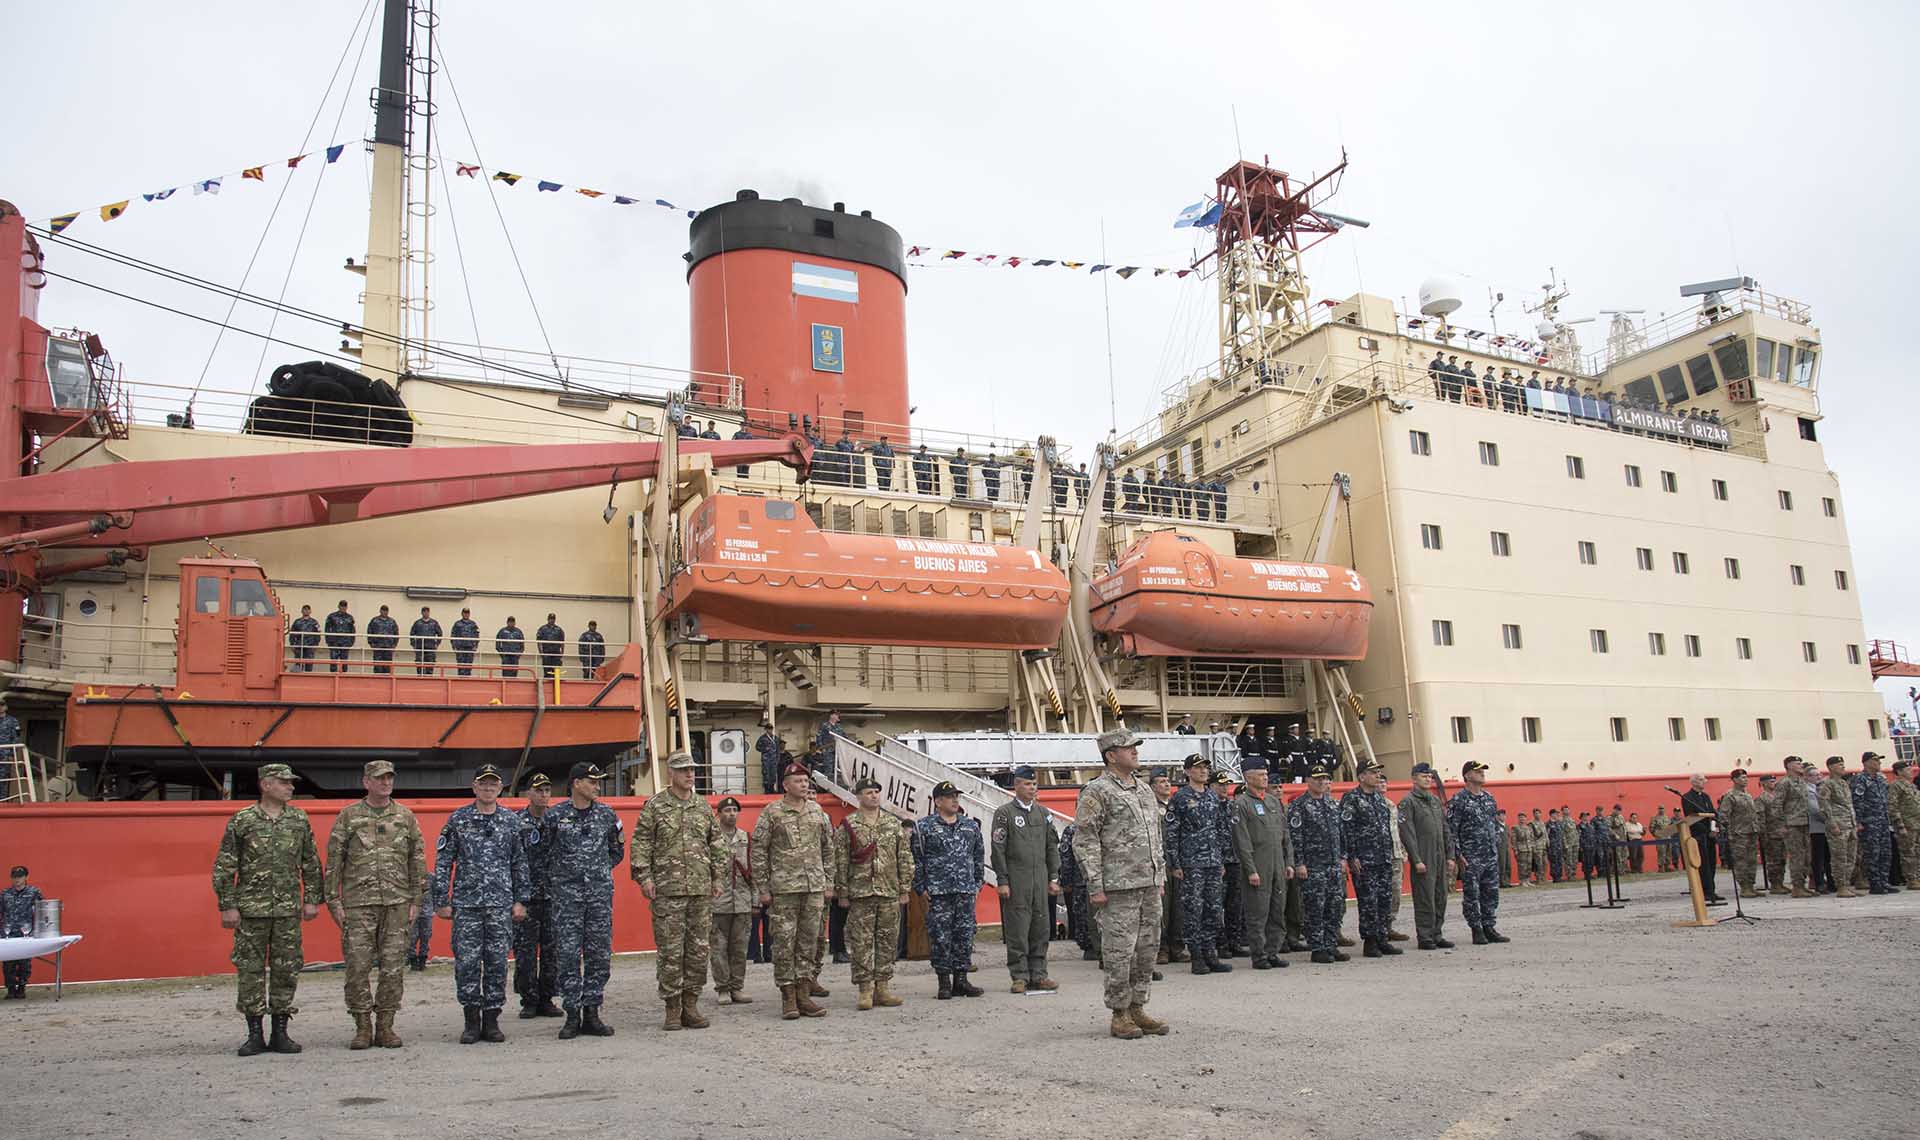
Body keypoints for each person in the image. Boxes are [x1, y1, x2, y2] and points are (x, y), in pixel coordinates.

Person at [212, 762, 323, 1056]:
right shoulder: (243, 820)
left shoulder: (298, 820)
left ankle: (281, 1033)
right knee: (250, 971)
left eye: (291, 782)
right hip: (251, 910)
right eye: (283, 782)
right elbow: (225, 865)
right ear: (265, 785)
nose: (290, 786)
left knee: (286, 969)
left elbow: (311, 862)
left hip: (287, 909)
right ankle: (254, 1034)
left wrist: (312, 898)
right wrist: (228, 905)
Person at [1072, 729, 1168, 1040]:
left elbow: (1156, 838)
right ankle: (1119, 1013)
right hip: (1117, 886)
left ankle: (1138, 1006)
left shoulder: (1142, 790)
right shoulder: (1097, 792)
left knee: (1147, 949)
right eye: (1128, 748)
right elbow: (1085, 841)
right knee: (1119, 951)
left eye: (1134, 747)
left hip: (1149, 884)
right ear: (1111, 755)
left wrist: (1159, 875)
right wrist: (1095, 884)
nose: (1135, 752)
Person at [325, 759, 425, 1050]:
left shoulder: (405, 817)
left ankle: (386, 1026)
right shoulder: (348, 816)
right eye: (379, 778)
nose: (385, 783)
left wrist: (417, 899)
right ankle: (362, 1027)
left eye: (389, 778)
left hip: (396, 902)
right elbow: (334, 861)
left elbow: (416, 859)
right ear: (366, 782)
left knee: (393, 967)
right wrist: (334, 901)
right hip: (358, 904)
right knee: (357, 966)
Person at [434, 764, 530, 1045]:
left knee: (497, 963)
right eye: (483, 784)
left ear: (500, 789)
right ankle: (471, 1021)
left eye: (493, 784)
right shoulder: (459, 820)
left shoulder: (511, 821)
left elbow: (519, 863)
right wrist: (442, 899)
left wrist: (521, 900)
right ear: (474, 787)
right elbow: (443, 861)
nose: (488, 789)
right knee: (467, 963)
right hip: (467, 905)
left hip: (500, 905)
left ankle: (491, 1020)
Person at [632, 751, 724, 1032]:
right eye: (683, 770)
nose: (689, 774)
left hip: (699, 890)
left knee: (698, 950)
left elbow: (717, 844)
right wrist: (644, 878)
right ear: (671, 773)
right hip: (668, 891)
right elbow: (641, 844)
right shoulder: (656, 806)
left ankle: (691, 1005)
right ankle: (672, 1008)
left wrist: (718, 878)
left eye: (692, 770)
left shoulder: (703, 807)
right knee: (671, 952)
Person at [542, 761, 625, 1038]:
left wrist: (595, 872)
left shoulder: (606, 815)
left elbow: (616, 851)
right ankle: (572, 1014)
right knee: (567, 955)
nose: (597, 787)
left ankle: (592, 1012)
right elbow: (542, 854)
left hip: (599, 897)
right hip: (566, 899)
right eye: (592, 782)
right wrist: (565, 878)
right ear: (577, 783)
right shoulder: (554, 817)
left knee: (598, 954)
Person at [752, 763, 834, 1020]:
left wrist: (828, 882)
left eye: (806, 780)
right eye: (798, 781)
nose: (804, 784)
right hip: (784, 889)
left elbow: (827, 849)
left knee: (809, 942)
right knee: (784, 943)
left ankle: (803, 993)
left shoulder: (817, 811)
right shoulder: (772, 812)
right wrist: (762, 888)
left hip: (813, 888)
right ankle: (788, 996)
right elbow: (758, 850)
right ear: (785, 785)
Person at [836, 776, 913, 1010]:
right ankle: (865, 990)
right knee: (861, 942)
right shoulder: (849, 824)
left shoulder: (892, 824)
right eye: (868, 792)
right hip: (861, 892)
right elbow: (840, 859)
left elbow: (905, 857)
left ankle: (883, 988)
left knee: (887, 941)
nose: (874, 796)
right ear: (858, 796)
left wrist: (904, 888)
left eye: (876, 792)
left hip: (889, 891)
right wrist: (842, 891)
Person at [990, 765, 1060, 993]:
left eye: (1034, 784)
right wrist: (1002, 880)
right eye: (1028, 784)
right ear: (1017, 785)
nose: (1032, 788)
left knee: (1041, 928)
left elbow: (1052, 847)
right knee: (1018, 929)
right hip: (1017, 879)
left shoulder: (1044, 814)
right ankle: (1019, 976)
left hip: (1040, 877)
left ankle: (1039, 974)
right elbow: (998, 848)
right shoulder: (1005, 813)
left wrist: (1053, 876)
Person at [914, 780, 986, 1000]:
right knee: (941, 937)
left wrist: (977, 882)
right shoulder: (924, 827)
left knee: (964, 935)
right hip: (939, 891)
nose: (955, 800)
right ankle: (944, 982)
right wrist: (921, 886)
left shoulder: (970, 826)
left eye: (957, 796)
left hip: (965, 890)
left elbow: (978, 855)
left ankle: (961, 980)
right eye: (949, 797)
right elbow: (916, 859)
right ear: (937, 801)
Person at [1167, 753, 1232, 974]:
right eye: (1198, 768)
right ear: (1187, 772)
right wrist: (1175, 864)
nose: (1203, 771)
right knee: (1193, 909)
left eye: (1206, 767)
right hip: (1191, 862)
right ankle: (1196, 957)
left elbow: (1220, 830)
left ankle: (1210, 953)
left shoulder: (1213, 797)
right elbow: (1172, 832)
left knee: (1213, 908)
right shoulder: (1181, 798)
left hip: (1213, 861)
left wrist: (1221, 858)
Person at [1229, 757, 1293, 969]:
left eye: (1266, 773)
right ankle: (1259, 955)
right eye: (1260, 774)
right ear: (1248, 777)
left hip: (1278, 865)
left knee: (1277, 910)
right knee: (1258, 913)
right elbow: (1242, 841)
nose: (1265, 777)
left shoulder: (1273, 802)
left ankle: (1273, 951)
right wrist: (1250, 870)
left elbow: (1285, 836)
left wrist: (1289, 862)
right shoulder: (1242, 804)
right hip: (1258, 866)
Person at [1340, 760, 1401, 959]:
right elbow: (1346, 830)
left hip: (1383, 858)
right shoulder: (1352, 798)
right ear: (1361, 776)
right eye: (1372, 773)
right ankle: (1370, 941)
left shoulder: (1378, 798)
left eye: (1378, 773)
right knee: (1368, 901)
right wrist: (1352, 855)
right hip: (1364, 860)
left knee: (1384, 899)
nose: (1377, 776)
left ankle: (1383, 938)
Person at [513, 773, 561, 1019]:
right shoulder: (516, 822)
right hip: (527, 897)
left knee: (552, 951)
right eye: (538, 790)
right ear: (528, 793)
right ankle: (529, 999)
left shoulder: (558, 820)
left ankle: (547, 998)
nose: (543, 795)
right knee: (525, 952)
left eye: (547, 790)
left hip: (554, 896)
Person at [1288, 766, 1347, 964]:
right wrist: (1300, 863)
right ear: (1308, 781)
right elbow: (1295, 838)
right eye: (1317, 779)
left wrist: (1342, 858)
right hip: (1313, 866)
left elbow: (1340, 834)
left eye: (1325, 778)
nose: (1322, 782)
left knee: (1334, 906)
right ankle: (1318, 947)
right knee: (1315, 907)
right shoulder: (1299, 805)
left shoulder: (1332, 804)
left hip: (1332, 864)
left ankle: (1331, 944)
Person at [1446, 760, 1508, 945]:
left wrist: (1495, 842)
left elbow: (1495, 823)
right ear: (1467, 776)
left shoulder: (1489, 798)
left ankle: (1489, 926)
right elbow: (1451, 829)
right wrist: (1458, 854)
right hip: (1470, 856)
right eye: (1477, 771)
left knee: (1491, 892)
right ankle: (1476, 929)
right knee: (1472, 894)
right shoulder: (1459, 800)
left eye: (1483, 771)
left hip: (1489, 854)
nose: (1482, 773)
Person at [1396, 763, 1454, 950]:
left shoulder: (1435, 801)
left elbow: (1445, 829)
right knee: (1424, 897)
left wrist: (1450, 855)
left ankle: (1437, 933)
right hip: (1424, 856)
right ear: (1414, 779)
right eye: (1423, 776)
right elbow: (1407, 833)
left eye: (1430, 776)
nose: (1428, 779)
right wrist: (1416, 859)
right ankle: (1425, 935)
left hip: (1439, 855)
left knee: (1440, 895)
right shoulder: (1409, 802)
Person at [710, 796, 755, 1005]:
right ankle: (723, 988)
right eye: (727, 810)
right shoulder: (711, 838)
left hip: (742, 899)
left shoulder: (746, 837)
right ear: (719, 814)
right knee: (718, 947)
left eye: (734, 810)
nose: (731, 814)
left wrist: (755, 899)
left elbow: (754, 869)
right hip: (718, 901)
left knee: (739, 947)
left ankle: (737, 987)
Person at [1148, 769, 1184, 964]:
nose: (1166, 784)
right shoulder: (1150, 807)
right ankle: (1162, 948)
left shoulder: (1176, 806)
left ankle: (1177, 946)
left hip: (1177, 862)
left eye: (1168, 781)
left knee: (1179, 907)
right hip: (1160, 864)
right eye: (1161, 782)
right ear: (1153, 787)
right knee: (1162, 909)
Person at [1851, 751, 1897, 894]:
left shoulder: (1881, 778)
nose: (1879, 763)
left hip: (1883, 821)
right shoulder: (1860, 779)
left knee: (1886, 852)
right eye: (1875, 760)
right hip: (1869, 822)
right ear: (1866, 762)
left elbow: (1886, 800)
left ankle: (1884, 881)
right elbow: (1857, 802)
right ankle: (1875, 883)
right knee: (1872, 853)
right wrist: (1859, 821)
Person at [1680, 773, 1724, 904]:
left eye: (1704, 779)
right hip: (1698, 836)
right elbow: (1691, 817)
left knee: (1711, 864)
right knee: (1703, 865)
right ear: (1693, 782)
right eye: (1700, 779)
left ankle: (1711, 891)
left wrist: (1713, 829)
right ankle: (1704, 891)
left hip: (1710, 836)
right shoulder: (1687, 797)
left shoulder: (1706, 797)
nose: (1704, 781)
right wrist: (1705, 831)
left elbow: (1712, 814)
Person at [1817, 756, 1858, 897]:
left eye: (1843, 764)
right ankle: (1840, 886)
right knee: (1839, 857)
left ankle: (1847, 884)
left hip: (1849, 824)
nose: (1843, 767)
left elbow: (1848, 804)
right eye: (1840, 764)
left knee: (1851, 857)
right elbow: (1824, 805)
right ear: (1831, 767)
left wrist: (1854, 823)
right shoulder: (1826, 784)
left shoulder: (1843, 783)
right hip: (1838, 825)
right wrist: (1831, 823)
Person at [2, 866, 45, 999]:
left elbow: (42, 911)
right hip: (8, 933)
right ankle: (10, 989)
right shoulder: (5, 893)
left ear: (26, 877)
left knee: (24, 963)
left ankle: (21, 988)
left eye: (20, 877)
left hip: (26, 933)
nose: (17, 880)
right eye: (14, 877)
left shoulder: (34, 892)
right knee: (8, 963)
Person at [1718, 769, 1762, 898]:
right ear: (1735, 780)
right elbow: (1723, 815)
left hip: (1751, 831)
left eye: (1746, 777)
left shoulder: (1747, 795)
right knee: (1741, 861)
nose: (1746, 779)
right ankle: (1744, 887)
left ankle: (1751, 885)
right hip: (1739, 834)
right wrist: (1727, 831)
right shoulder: (1730, 796)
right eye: (1742, 777)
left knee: (1752, 860)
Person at [1058, 822, 1098, 960]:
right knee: (1082, 915)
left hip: (1100, 880)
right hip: (1080, 880)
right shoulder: (1072, 830)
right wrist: (1066, 880)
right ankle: (1089, 946)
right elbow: (1066, 856)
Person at [1776, 758, 1815, 897]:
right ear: (1789, 766)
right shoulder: (1784, 783)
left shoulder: (1802, 782)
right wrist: (1781, 825)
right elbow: (1777, 805)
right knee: (1796, 856)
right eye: (1797, 764)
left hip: (1805, 823)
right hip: (1792, 824)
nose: (1801, 766)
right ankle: (1797, 887)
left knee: (1806, 856)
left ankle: (1802, 885)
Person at [1890, 760, 1920, 890]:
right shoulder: (1896, 786)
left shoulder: (1911, 786)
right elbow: (1892, 806)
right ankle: (1911, 879)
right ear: (1900, 772)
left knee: (1917, 852)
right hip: (1907, 825)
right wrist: (1899, 825)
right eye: (1908, 769)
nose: (1911, 771)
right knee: (1908, 853)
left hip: (1917, 823)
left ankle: (1917, 877)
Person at [408, 606, 442, 675]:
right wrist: (414, 644)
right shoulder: (417, 623)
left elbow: (440, 634)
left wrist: (437, 644)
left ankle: (429, 679)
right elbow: (411, 634)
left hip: (430, 648)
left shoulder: (434, 623)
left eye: (427, 611)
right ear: (421, 612)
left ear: (429, 613)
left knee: (430, 665)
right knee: (420, 665)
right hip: (420, 647)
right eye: (424, 611)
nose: (425, 613)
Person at [365, 605, 399, 673]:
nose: (384, 612)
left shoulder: (392, 621)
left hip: (388, 647)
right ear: (380, 611)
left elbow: (396, 633)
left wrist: (394, 644)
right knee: (377, 666)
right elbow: (369, 632)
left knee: (387, 666)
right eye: (383, 610)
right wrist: (371, 643)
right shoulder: (374, 621)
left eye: (386, 610)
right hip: (377, 646)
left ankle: (387, 682)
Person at [324, 600, 356, 672]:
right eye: (341, 606)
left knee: (344, 662)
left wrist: (352, 641)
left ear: (346, 607)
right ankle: (333, 676)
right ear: (338, 606)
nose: (343, 608)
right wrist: (328, 641)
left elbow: (352, 630)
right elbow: (327, 629)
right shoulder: (332, 616)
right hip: (334, 642)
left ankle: (344, 677)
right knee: (333, 662)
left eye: (344, 606)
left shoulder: (350, 617)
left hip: (345, 643)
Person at [288, 605, 320, 671]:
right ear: (302, 611)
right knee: (298, 664)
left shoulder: (314, 622)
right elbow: (292, 634)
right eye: (304, 609)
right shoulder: (297, 622)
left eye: (308, 609)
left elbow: (318, 634)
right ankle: (298, 679)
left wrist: (316, 645)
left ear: (310, 611)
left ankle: (308, 679)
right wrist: (292, 644)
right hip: (299, 646)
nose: (306, 611)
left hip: (310, 646)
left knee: (309, 664)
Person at [449, 608, 480, 675]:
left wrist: (475, 646)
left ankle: (467, 680)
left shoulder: (473, 624)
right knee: (460, 665)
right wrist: (454, 646)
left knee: (468, 665)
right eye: (464, 613)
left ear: (469, 614)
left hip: (470, 647)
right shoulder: (457, 624)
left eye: (467, 613)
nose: (466, 614)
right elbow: (453, 635)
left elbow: (477, 635)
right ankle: (460, 680)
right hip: (460, 647)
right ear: (462, 613)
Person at [535, 613, 566, 679]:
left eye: (553, 619)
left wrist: (562, 652)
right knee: (547, 672)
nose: (551, 620)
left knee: (556, 672)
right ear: (548, 619)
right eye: (550, 619)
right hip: (546, 653)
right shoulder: (542, 629)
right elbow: (538, 642)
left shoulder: (559, 629)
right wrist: (541, 653)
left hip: (556, 653)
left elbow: (562, 641)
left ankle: (555, 687)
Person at [755, 722, 783, 795]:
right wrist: (765, 749)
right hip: (766, 760)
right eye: (768, 729)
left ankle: (772, 788)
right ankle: (767, 789)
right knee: (766, 774)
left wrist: (778, 759)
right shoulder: (762, 738)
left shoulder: (775, 738)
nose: (770, 730)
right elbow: (757, 747)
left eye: (771, 729)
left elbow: (778, 750)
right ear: (766, 729)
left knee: (773, 774)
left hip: (773, 760)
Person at [1649, 806, 1676, 873]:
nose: (1661, 810)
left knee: (1668, 851)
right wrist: (1656, 835)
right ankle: (1661, 867)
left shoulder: (1667, 818)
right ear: (1658, 809)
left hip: (1668, 837)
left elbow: (1670, 826)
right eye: (1660, 809)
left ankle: (1667, 866)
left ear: (1664, 809)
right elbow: (1651, 828)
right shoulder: (1655, 818)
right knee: (1661, 852)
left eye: (1662, 808)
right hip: (1660, 838)